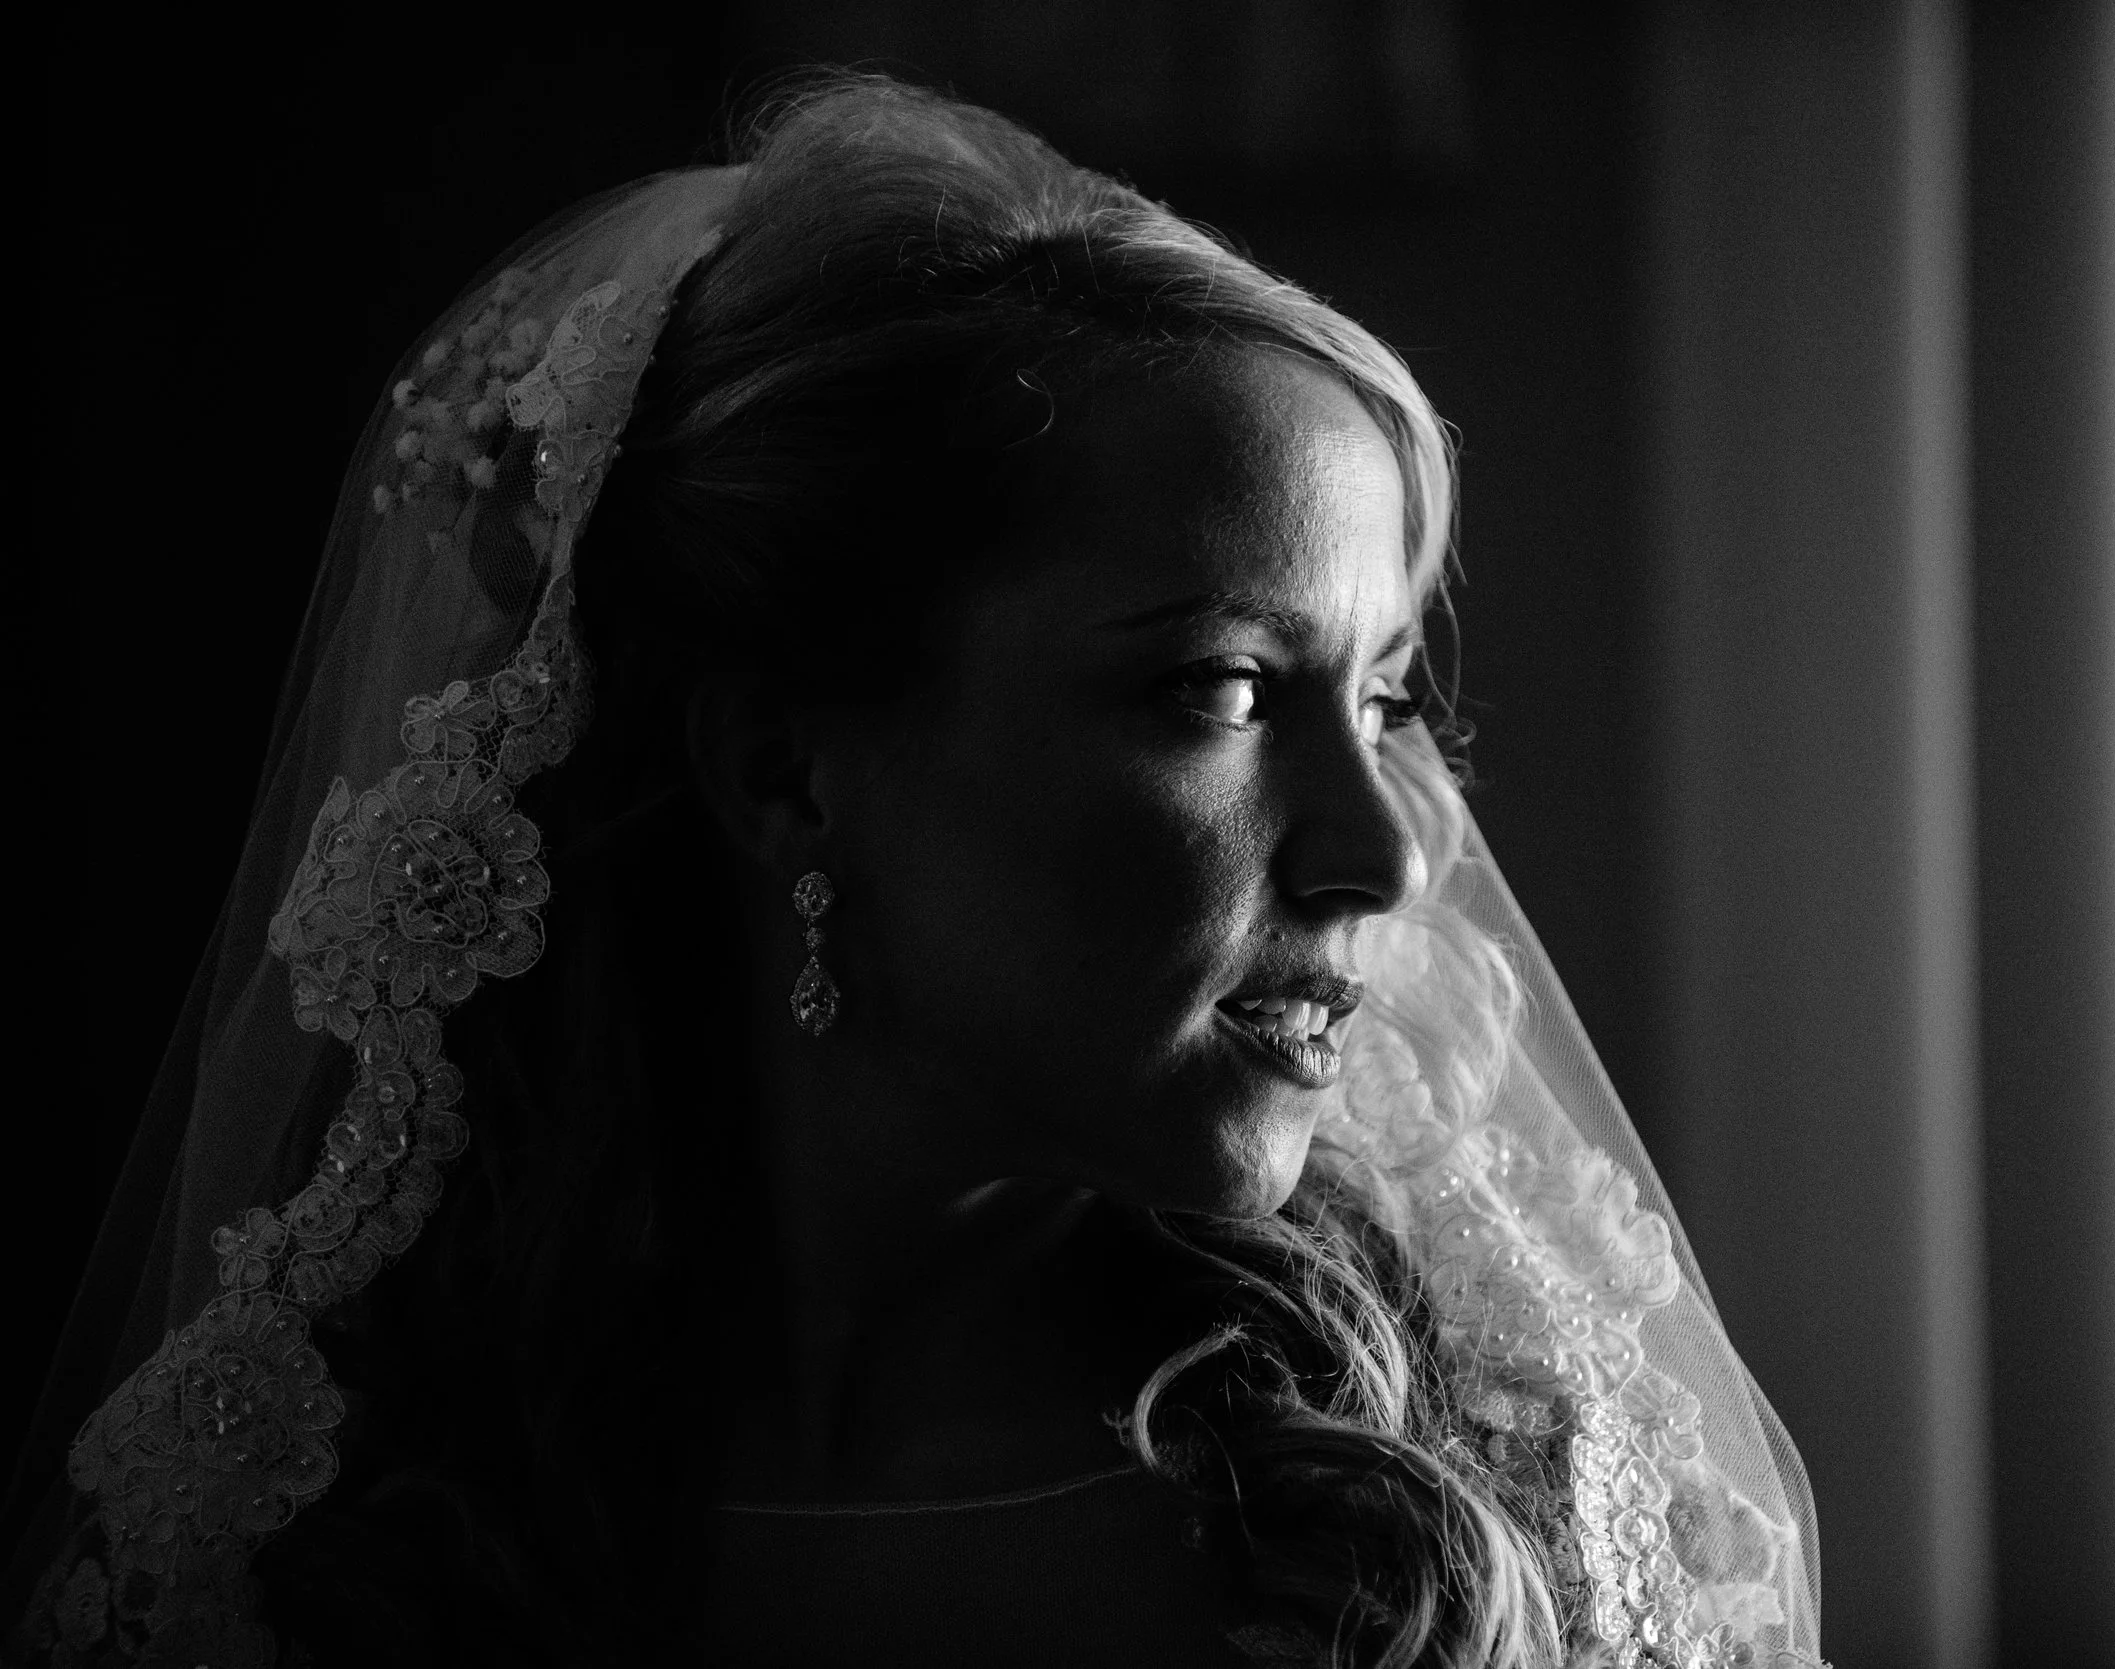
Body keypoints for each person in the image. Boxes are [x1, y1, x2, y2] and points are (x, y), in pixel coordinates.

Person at [4, 75, 1827, 1669]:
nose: (1381, 852)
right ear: (788, 771)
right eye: (1225, 688)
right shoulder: (321, 1529)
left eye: (1386, 694)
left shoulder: (1479, 1521)